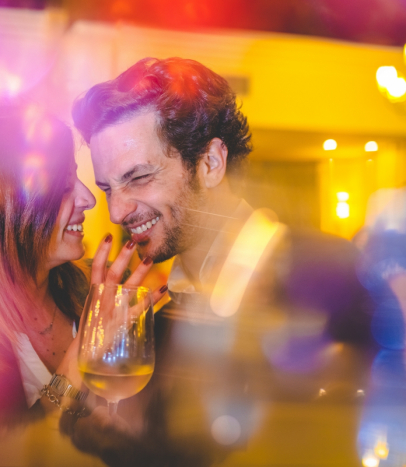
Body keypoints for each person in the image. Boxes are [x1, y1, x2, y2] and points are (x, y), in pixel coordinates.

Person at [63, 57, 375, 466]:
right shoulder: (150, 322)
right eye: (107, 188)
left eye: (138, 178)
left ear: (210, 163)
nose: (118, 211)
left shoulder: (332, 274)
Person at [0, 99, 166, 436]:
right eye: (62, 188)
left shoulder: (91, 290)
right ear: (1, 212)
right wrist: (81, 357)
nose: (88, 199)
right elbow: (2, 458)